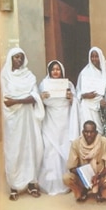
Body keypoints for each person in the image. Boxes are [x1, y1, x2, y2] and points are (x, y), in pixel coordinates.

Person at [0, 47, 45, 201]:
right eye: (15, 57)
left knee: (31, 149)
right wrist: (22, 99)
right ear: (11, 59)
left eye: (20, 57)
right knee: (14, 150)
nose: (18, 60)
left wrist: (17, 100)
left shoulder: (29, 76)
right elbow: (6, 101)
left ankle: (31, 184)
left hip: (29, 119)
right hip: (13, 120)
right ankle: (14, 186)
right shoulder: (5, 75)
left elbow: (35, 98)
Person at [38, 60, 79, 195]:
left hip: (65, 121)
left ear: (62, 71)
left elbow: (76, 102)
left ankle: (66, 183)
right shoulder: (44, 84)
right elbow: (38, 103)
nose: (55, 72)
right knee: (50, 150)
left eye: (58, 69)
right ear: (49, 71)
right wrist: (41, 98)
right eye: (53, 69)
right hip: (50, 121)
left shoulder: (68, 84)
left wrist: (71, 98)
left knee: (65, 150)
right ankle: (51, 183)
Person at [63, 120, 106, 203]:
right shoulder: (76, 143)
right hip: (82, 178)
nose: (89, 135)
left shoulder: (103, 141)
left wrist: (98, 176)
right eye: (86, 132)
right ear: (83, 132)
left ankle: (101, 193)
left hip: (100, 176)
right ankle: (80, 192)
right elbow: (72, 167)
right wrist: (85, 176)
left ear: (96, 132)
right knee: (66, 178)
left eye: (91, 132)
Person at [76, 47, 106, 134]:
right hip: (87, 106)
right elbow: (78, 91)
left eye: (96, 56)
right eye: (92, 56)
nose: (94, 59)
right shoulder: (84, 72)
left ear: (100, 57)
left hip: (100, 107)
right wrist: (84, 95)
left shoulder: (105, 73)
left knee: (99, 131)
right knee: (88, 130)